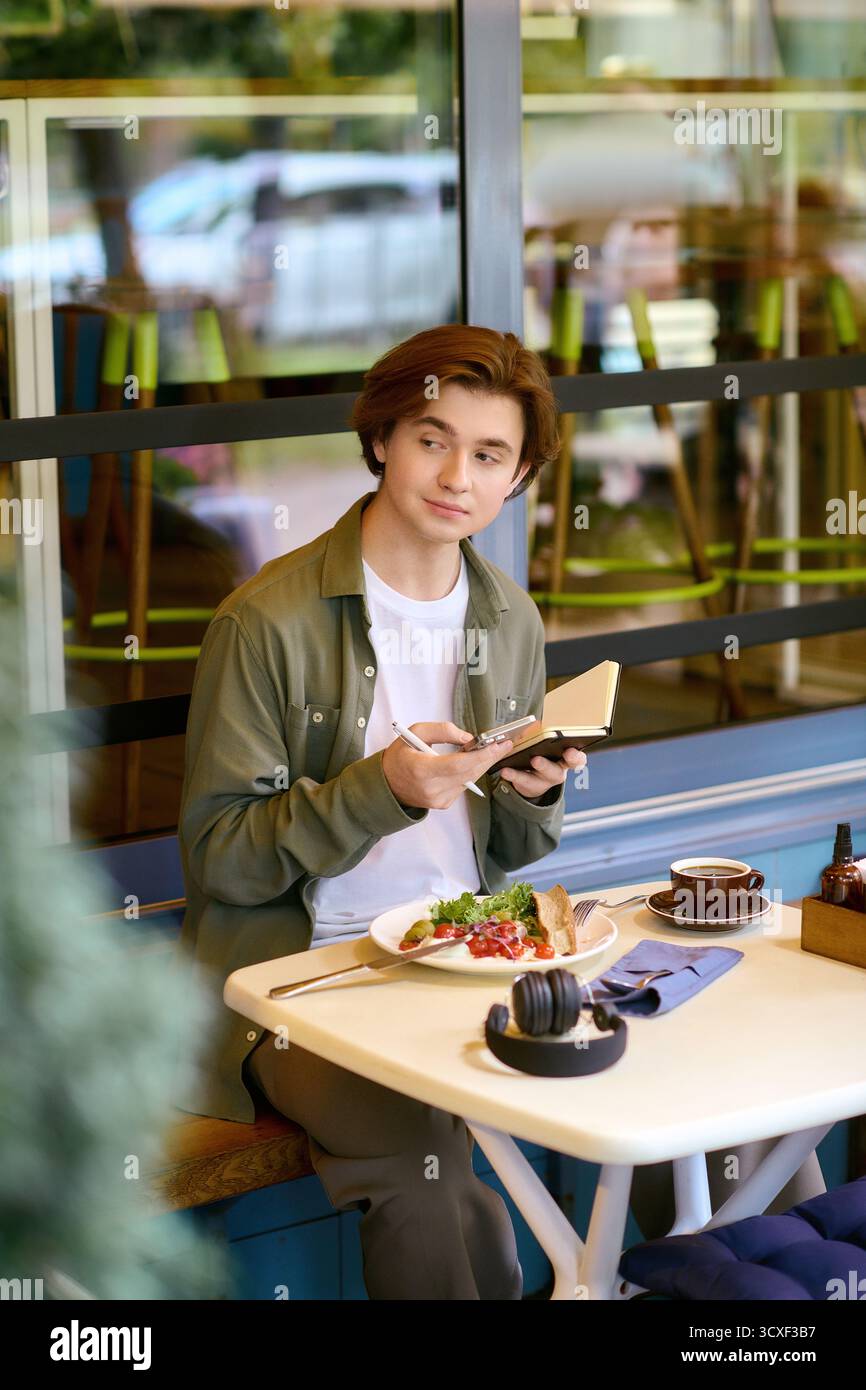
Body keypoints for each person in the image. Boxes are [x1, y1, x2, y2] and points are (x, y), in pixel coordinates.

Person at [174, 323, 585, 1299]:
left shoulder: (507, 620)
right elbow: (220, 857)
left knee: (513, 1180)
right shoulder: (264, 622)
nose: (456, 474)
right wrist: (383, 790)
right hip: (294, 989)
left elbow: (507, 852)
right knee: (434, 1190)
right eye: (431, 438)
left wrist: (535, 795)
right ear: (381, 440)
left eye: (488, 454)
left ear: (517, 477)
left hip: (457, 957)